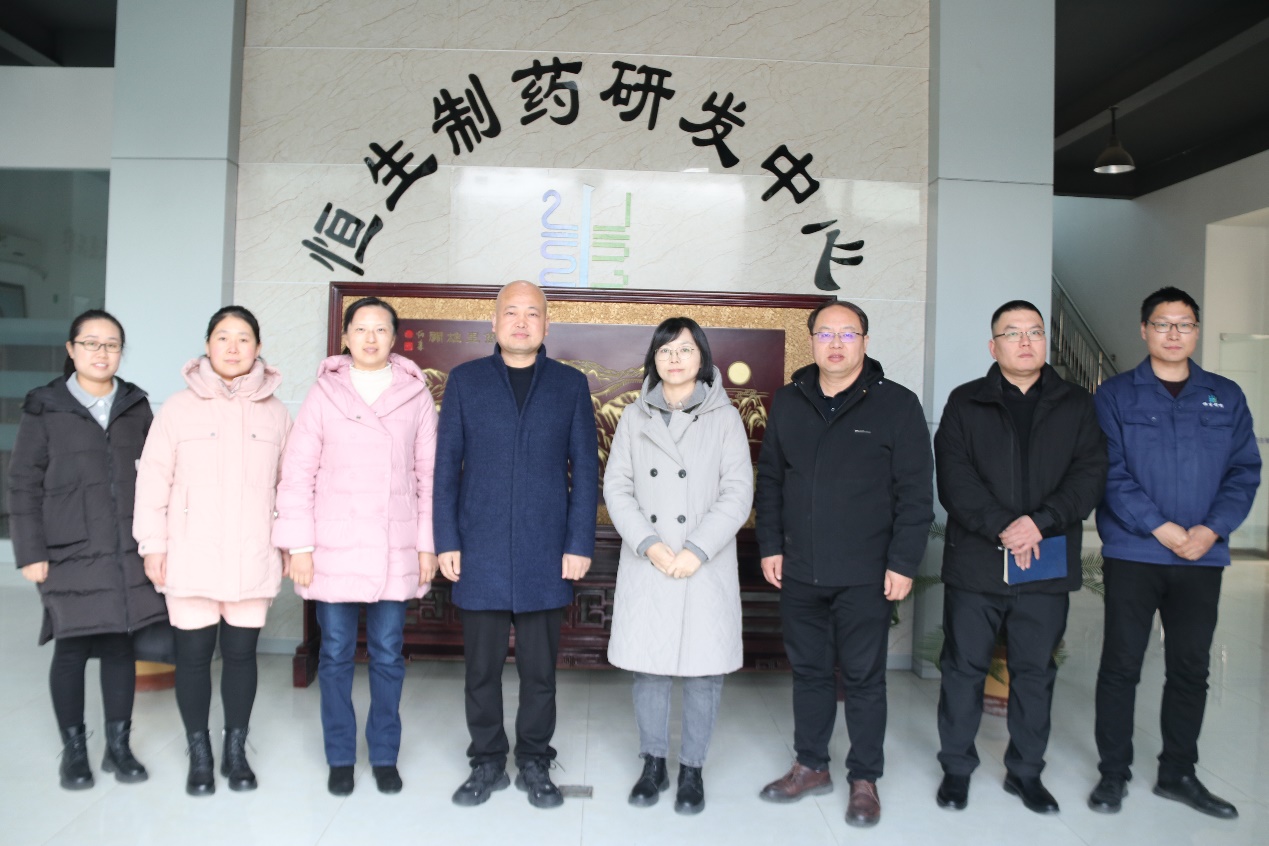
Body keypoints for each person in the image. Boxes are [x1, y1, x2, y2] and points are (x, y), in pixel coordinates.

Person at [755, 299, 933, 828]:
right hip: (799, 568)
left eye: (848, 334)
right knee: (809, 673)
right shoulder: (789, 401)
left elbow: (916, 494)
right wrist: (771, 545)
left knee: (863, 678)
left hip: (866, 572)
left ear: (865, 342)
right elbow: (771, 480)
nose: (836, 344)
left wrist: (903, 562)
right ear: (811, 340)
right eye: (826, 334)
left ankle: (864, 779)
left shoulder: (897, 404)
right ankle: (811, 765)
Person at [1089, 286, 1260, 819]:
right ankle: (1113, 774)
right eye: (1163, 324)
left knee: (1191, 667)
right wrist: (1160, 528)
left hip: (1201, 558)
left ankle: (1178, 774)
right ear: (1144, 330)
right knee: (1121, 665)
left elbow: (1244, 471)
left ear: (1196, 332)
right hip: (1135, 554)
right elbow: (1108, 471)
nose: (1173, 334)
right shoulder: (1115, 396)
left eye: (1184, 324)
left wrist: (1211, 530)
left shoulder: (1225, 395)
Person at [932, 300, 1107, 814]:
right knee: (963, 668)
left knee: (1035, 672)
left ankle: (1026, 773)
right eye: (1013, 333)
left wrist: (1040, 522)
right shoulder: (966, 402)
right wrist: (1004, 526)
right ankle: (956, 769)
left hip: (1045, 563)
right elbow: (954, 479)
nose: (1026, 341)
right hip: (977, 563)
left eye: (1035, 331)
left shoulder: (1077, 404)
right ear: (994, 346)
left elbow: (1090, 474)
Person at [433, 280, 599, 810]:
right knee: (480, 670)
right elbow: (445, 469)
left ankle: (534, 760)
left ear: (547, 324)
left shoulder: (570, 384)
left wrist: (578, 542)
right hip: (477, 546)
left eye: (532, 313)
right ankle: (486, 760)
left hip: (545, 551)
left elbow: (585, 470)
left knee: (539, 671)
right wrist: (446, 538)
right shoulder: (466, 381)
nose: (521, 322)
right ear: (494, 321)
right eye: (511, 312)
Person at [273, 296, 438, 798]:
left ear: (395, 338)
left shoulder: (415, 394)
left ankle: (385, 754)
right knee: (335, 654)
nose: (370, 338)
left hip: (394, 544)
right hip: (333, 545)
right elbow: (297, 473)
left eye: (380, 329)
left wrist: (427, 546)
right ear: (345, 337)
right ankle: (340, 755)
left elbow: (429, 477)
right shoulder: (324, 393)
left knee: (388, 653)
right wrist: (299, 546)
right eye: (360, 329)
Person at [134, 306, 291, 796]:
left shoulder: (276, 413)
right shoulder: (178, 408)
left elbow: (290, 486)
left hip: (252, 552)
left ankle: (235, 751)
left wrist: (289, 544)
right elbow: (153, 479)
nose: (233, 346)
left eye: (243, 338)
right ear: (207, 345)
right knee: (194, 657)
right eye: (223, 337)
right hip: (191, 551)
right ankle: (199, 752)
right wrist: (152, 545)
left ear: (258, 348)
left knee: (242, 656)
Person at [9, 310, 168, 791]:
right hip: (67, 548)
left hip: (125, 548)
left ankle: (119, 747)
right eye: (91, 343)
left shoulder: (135, 405)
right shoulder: (45, 407)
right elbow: (22, 483)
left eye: (112, 344)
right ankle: (74, 752)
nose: (102, 353)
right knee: (72, 645)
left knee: (121, 645)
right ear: (71, 349)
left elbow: (158, 477)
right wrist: (30, 551)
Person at [604, 317, 754, 815]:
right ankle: (653, 763)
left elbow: (738, 492)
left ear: (702, 358)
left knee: (703, 671)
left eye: (685, 349)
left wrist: (697, 549)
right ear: (654, 359)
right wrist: (648, 543)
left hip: (703, 562)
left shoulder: (724, 417)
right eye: (666, 350)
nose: (675, 359)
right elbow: (617, 487)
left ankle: (692, 768)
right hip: (650, 559)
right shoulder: (634, 416)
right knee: (649, 668)